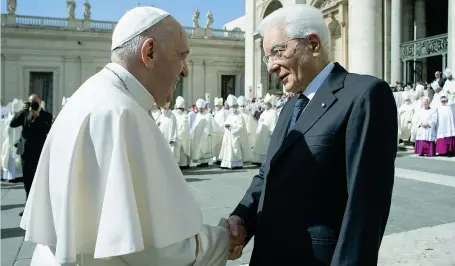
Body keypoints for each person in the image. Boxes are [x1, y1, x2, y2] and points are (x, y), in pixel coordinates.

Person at [20, 7, 244, 266]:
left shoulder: (93, 95)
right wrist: (221, 240)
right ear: (149, 52)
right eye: (181, 56)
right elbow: (160, 250)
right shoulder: (122, 114)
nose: (185, 71)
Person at [220, 4, 397, 265]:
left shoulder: (364, 95)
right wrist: (242, 220)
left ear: (313, 44)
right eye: (267, 56)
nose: (271, 66)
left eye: (277, 52)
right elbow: (267, 175)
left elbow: (365, 210)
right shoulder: (291, 105)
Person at [10, 94, 52, 216]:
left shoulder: (46, 116)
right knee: (27, 181)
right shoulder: (24, 114)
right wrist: (22, 110)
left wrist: (37, 116)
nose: (33, 105)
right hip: (25, 152)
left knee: (38, 180)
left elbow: (46, 130)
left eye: (35, 102)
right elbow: (13, 124)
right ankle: (28, 207)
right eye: (31, 102)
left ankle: (39, 208)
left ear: (40, 103)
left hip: (39, 152)